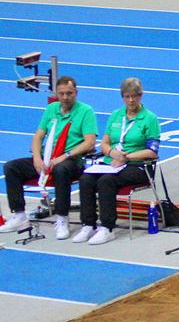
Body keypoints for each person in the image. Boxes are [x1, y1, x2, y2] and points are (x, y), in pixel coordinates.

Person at [0, 76, 98, 238]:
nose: (65, 97)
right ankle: (19, 216)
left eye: (69, 93)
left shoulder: (85, 111)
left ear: (76, 93)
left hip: (72, 161)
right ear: (57, 94)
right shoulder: (51, 109)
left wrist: (64, 156)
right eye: (62, 94)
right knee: (11, 167)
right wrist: (37, 158)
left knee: (61, 169)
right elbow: (38, 136)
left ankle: (62, 218)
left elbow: (89, 142)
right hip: (47, 158)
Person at [73, 78, 161, 245]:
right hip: (112, 162)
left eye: (134, 96)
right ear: (122, 97)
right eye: (127, 96)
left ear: (141, 96)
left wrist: (126, 157)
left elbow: (152, 151)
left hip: (138, 166)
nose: (131, 100)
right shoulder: (115, 115)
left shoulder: (150, 118)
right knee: (86, 179)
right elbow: (104, 143)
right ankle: (88, 224)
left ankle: (107, 228)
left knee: (106, 181)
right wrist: (113, 153)